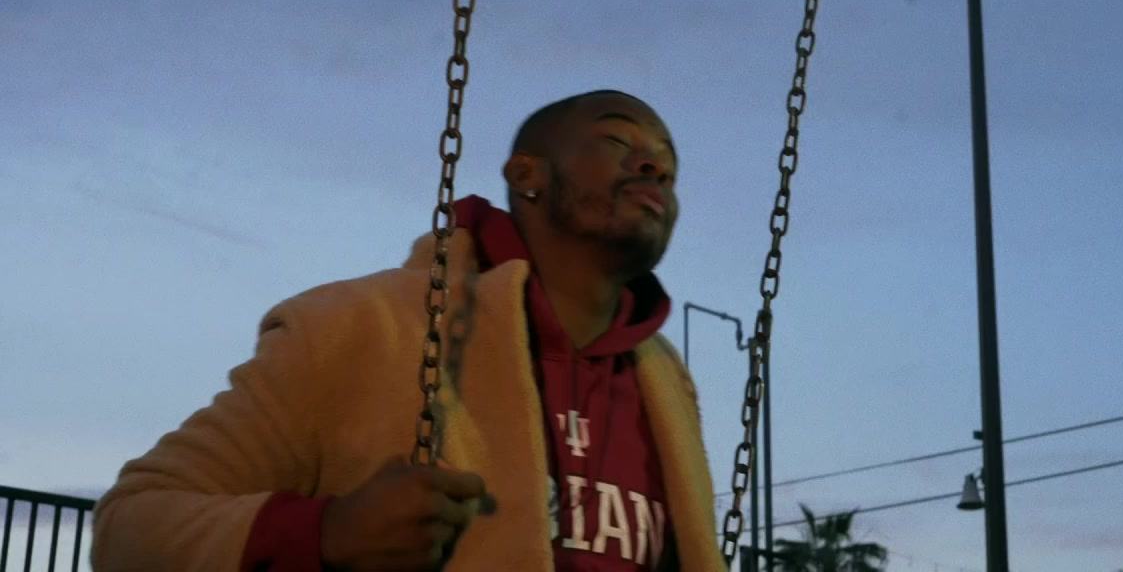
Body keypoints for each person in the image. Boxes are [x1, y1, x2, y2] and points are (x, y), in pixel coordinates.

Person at [90, 90, 727, 572]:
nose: (655, 167)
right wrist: (327, 534)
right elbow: (132, 524)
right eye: (618, 141)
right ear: (526, 174)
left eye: (668, 165)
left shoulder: (667, 389)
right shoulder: (357, 328)